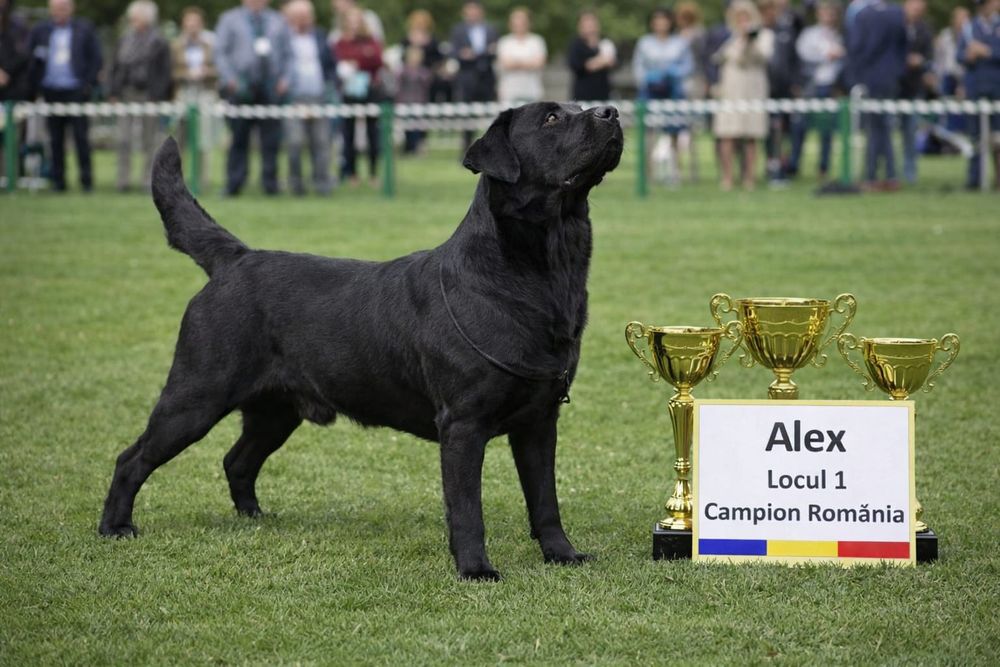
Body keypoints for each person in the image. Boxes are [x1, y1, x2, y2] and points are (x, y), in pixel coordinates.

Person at [215, 0, 293, 196]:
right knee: (239, 138)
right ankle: (234, 183)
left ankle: (270, 184)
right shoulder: (229, 19)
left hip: (271, 87)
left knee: (271, 140)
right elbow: (220, 53)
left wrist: (285, 79)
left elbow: (289, 55)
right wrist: (230, 79)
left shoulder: (278, 20)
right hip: (241, 87)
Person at [26, 0, 102, 193]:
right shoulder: (40, 30)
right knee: (55, 139)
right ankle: (58, 181)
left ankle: (86, 181)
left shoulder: (84, 29)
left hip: (76, 90)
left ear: (71, 9)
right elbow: (31, 59)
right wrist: (35, 86)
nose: (59, 12)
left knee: (81, 137)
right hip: (51, 90)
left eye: (63, 8)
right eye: (56, 8)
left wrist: (88, 84)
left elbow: (96, 58)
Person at [712, 0, 774, 191]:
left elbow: (762, 57)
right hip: (730, 91)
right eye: (739, 17)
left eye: (746, 17)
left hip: (753, 91)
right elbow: (718, 58)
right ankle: (727, 178)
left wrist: (749, 40)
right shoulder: (729, 36)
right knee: (727, 134)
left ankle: (749, 178)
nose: (742, 21)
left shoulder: (764, 35)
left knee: (751, 136)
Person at [110, 0, 171, 192]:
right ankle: (123, 180)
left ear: (146, 19)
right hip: (126, 93)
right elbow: (114, 67)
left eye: (136, 17)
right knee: (123, 139)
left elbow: (164, 72)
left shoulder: (159, 42)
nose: (132, 20)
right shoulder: (124, 39)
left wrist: (157, 95)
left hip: (149, 95)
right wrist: (113, 92)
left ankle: (148, 180)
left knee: (150, 140)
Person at [848, 0, 907, 191]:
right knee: (885, 127)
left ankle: (871, 175)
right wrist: (897, 72)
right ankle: (891, 174)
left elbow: (857, 48)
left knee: (874, 128)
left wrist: (855, 76)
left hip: (870, 77)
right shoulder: (897, 13)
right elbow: (903, 46)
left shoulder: (862, 15)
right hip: (890, 78)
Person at [633, 8, 693, 186]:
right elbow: (638, 68)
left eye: (664, 20)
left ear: (670, 22)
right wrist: (649, 79)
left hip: (673, 91)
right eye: (657, 20)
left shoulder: (680, 42)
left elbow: (688, 66)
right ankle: (648, 175)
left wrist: (673, 74)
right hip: (650, 91)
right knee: (648, 133)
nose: (661, 24)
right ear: (652, 23)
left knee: (675, 131)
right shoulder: (644, 43)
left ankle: (675, 173)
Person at [283, 0, 335, 196]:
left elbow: (330, 63)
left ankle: (322, 184)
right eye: (300, 16)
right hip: (294, 99)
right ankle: (296, 185)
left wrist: (331, 84)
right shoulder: (283, 37)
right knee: (295, 143)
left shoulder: (320, 35)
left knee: (321, 143)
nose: (304, 20)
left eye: (307, 16)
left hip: (319, 97)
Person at [789, 0, 845, 180]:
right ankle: (794, 165)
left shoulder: (840, 35)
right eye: (825, 11)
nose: (828, 15)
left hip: (830, 86)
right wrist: (826, 55)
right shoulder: (809, 34)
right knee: (800, 127)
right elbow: (803, 55)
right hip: (811, 86)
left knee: (826, 130)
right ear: (818, 13)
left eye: (831, 12)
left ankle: (823, 168)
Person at [171, 6, 217, 192]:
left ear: (201, 24)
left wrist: (207, 72)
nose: (192, 26)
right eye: (189, 23)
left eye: (195, 23)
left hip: (204, 93)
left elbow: (218, 69)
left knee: (202, 139)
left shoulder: (210, 45)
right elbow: (171, 71)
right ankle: (178, 179)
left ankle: (201, 180)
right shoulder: (176, 45)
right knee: (180, 138)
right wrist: (186, 74)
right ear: (183, 25)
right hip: (183, 92)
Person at [334, 6, 382, 186]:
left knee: (372, 133)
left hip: (369, 90)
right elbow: (338, 60)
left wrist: (357, 60)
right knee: (349, 134)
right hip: (349, 91)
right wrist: (364, 56)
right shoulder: (340, 41)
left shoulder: (371, 39)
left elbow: (377, 59)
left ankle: (373, 173)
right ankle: (351, 173)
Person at [760, 0, 804, 185]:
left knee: (787, 129)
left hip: (785, 88)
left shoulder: (787, 31)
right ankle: (771, 163)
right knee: (768, 130)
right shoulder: (759, 33)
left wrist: (796, 83)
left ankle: (785, 165)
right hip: (763, 89)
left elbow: (794, 59)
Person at [959, 0, 1000, 189]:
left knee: (998, 136)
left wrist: (986, 51)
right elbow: (959, 56)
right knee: (974, 135)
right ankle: (974, 179)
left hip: (997, 87)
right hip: (975, 87)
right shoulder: (969, 28)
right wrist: (967, 56)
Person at [450, 0, 499, 153]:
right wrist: (463, 54)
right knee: (467, 114)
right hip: (467, 78)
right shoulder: (458, 30)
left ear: (481, 12)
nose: (473, 14)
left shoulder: (491, 29)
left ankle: (490, 149)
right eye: (469, 11)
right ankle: (467, 149)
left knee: (489, 114)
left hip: (487, 77)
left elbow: (495, 50)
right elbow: (453, 52)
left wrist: (481, 53)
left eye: (475, 10)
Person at [899, 0, 934, 184]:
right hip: (894, 86)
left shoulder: (925, 30)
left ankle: (909, 174)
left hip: (914, 87)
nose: (917, 11)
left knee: (910, 132)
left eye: (920, 8)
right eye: (914, 7)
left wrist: (921, 61)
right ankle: (888, 173)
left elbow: (929, 56)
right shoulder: (895, 25)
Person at [398, 9, 441, 153]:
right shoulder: (405, 40)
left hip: (424, 88)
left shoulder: (432, 41)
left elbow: (438, 60)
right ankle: (408, 144)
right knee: (407, 118)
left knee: (422, 118)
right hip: (407, 89)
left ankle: (421, 143)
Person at [496, 7, 546, 106]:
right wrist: (528, 62)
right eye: (516, 21)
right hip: (509, 93)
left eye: (522, 21)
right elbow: (506, 64)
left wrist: (515, 62)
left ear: (529, 23)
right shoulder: (504, 42)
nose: (519, 24)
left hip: (532, 91)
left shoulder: (537, 41)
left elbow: (539, 63)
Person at [566, 10, 616, 101]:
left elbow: (614, 62)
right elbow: (576, 65)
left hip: (603, 94)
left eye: (592, 24)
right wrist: (601, 61)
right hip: (582, 96)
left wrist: (593, 63)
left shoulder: (605, 43)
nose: (590, 28)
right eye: (586, 25)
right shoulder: (576, 45)